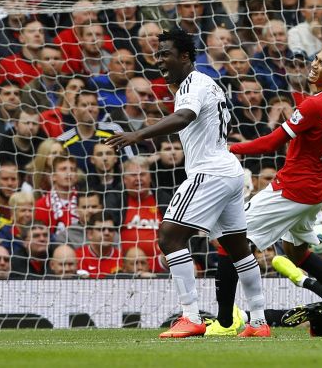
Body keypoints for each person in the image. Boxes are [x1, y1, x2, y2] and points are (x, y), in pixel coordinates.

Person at [105, 28, 269, 338]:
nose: (159, 61)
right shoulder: (208, 84)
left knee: (169, 237)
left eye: (165, 54)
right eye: (157, 55)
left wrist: (138, 134)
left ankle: (190, 315)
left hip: (210, 172)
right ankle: (259, 322)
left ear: (184, 56)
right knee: (237, 249)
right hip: (228, 171)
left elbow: (184, 118)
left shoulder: (193, 84)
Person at [210, 45, 322, 336]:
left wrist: (230, 148)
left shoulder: (313, 106)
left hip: (291, 189)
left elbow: (272, 143)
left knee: (228, 241)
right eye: (316, 58)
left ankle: (224, 323)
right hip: (314, 193)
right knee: (296, 253)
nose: (313, 65)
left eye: (321, 63)